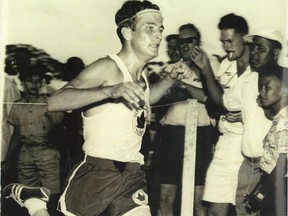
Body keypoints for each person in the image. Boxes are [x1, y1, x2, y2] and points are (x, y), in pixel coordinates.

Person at [47, 1, 192, 215]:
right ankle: (35, 203)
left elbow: (142, 100)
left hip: (132, 175)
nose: (159, 36)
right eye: (150, 28)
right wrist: (109, 91)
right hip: (97, 172)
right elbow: (54, 102)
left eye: (160, 29)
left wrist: (170, 79)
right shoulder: (107, 67)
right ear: (127, 32)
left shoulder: (140, 74)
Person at [190, 13, 251, 215]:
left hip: (250, 146)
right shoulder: (226, 65)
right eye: (223, 42)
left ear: (244, 37)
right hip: (226, 143)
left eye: (230, 41)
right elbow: (217, 102)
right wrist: (206, 72)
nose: (226, 47)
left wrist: (246, 115)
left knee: (247, 209)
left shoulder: (259, 66)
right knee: (215, 209)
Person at [235, 26, 285, 216]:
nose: (254, 53)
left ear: (275, 52)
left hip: (274, 171)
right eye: (253, 47)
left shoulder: (285, 78)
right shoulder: (247, 79)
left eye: (261, 48)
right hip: (249, 163)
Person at [3, 63, 64, 216]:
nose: (34, 84)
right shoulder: (17, 106)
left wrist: (64, 154)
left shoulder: (50, 104)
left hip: (47, 152)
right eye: (30, 80)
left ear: (42, 82)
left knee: (52, 193)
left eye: (38, 80)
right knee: (26, 195)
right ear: (23, 82)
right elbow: (16, 135)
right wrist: (9, 159)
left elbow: (61, 131)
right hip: (26, 153)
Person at [245, 65, 287, 216]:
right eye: (260, 87)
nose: (261, 92)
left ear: (284, 90)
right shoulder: (280, 117)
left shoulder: (285, 120)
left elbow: (283, 163)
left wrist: (261, 194)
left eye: (267, 87)